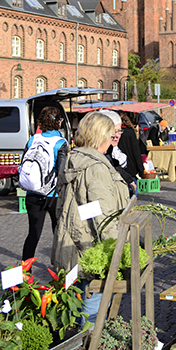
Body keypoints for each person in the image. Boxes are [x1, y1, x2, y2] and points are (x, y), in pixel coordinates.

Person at [52, 112, 130, 324]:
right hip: (90, 248)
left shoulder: (74, 158)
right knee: (91, 311)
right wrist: (118, 251)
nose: (112, 140)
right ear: (100, 137)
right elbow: (103, 216)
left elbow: (71, 207)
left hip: (71, 242)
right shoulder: (95, 167)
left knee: (74, 307)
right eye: (110, 135)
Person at [22, 107, 68, 261]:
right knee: (58, 233)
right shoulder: (60, 142)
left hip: (32, 194)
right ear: (59, 122)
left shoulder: (32, 139)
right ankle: (59, 271)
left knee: (33, 234)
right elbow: (62, 171)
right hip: (53, 195)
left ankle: (25, 276)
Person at [99, 110, 136, 195]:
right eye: (114, 131)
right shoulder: (97, 155)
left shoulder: (111, 152)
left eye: (119, 131)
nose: (117, 135)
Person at [118, 112, 144, 181]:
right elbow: (136, 152)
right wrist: (141, 170)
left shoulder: (116, 133)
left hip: (119, 168)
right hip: (131, 168)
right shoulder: (130, 133)